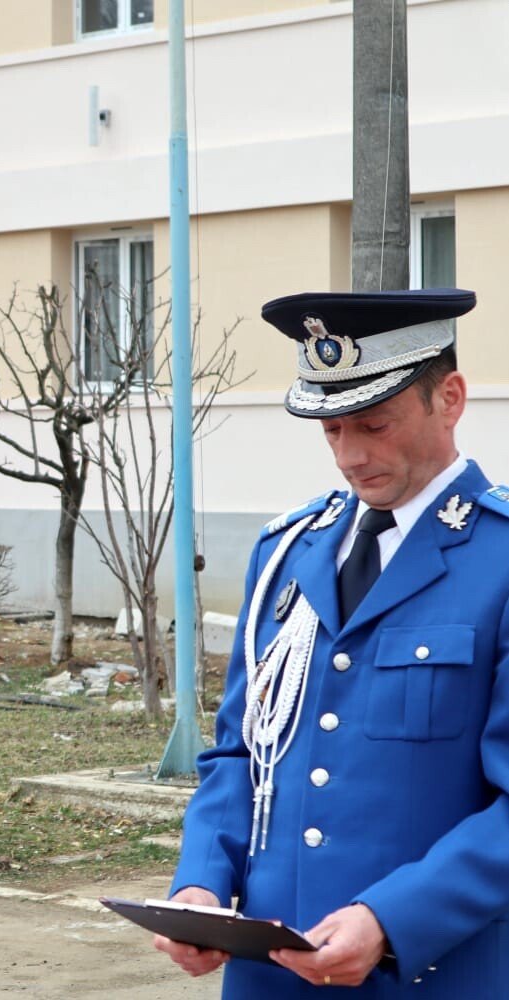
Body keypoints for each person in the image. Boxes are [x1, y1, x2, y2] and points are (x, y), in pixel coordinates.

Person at [156, 288, 509, 996]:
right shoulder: (288, 552)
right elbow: (242, 751)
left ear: (449, 399)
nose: (350, 455)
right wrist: (200, 883)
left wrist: (391, 920)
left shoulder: (498, 556)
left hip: (430, 970)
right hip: (271, 976)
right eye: (331, 430)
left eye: (374, 425)